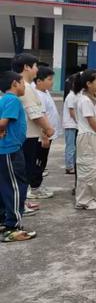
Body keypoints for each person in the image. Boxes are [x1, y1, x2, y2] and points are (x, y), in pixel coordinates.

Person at [11, 54, 54, 207]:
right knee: (24, 172)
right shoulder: (26, 88)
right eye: (35, 66)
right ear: (27, 67)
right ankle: (20, 203)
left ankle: (23, 200)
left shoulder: (26, 86)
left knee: (25, 171)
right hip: (26, 136)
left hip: (29, 135)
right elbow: (35, 114)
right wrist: (48, 129)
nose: (37, 69)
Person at [0, 71, 36, 242]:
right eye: (22, 83)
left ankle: (4, 221)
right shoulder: (13, 100)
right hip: (10, 151)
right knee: (16, 188)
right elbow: (3, 122)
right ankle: (12, 227)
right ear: (15, 83)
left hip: (7, 150)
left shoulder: (5, 99)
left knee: (6, 187)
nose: (24, 86)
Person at [74, 69, 96, 211]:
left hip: (94, 135)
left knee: (94, 168)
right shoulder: (84, 99)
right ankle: (83, 200)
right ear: (88, 83)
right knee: (87, 168)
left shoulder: (95, 98)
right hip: (87, 136)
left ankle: (92, 197)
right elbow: (90, 119)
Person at [33, 67, 62, 182]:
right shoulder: (38, 95)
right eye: (49, 79)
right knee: (39, 161)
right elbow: (41, 116)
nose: (52, 82)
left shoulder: (45, 92)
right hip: (43, 136)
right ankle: (35, 187)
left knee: (43, 161)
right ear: (39, 81)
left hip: (49, 135)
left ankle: (37, 185)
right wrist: (44, 137)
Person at [63, 74, 79, 176]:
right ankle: (69, 166)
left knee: (74, 146)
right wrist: (79, 122)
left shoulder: (75, 95)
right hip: (70, 125)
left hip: (74, 125)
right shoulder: (71, 96)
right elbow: (72, 111)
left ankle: (73, 164)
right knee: (70, 146)